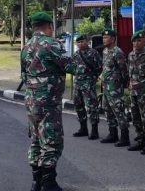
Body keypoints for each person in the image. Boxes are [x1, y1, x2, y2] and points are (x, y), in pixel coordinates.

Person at [21, 11, 76, 191]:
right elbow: (72, 66)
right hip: (48, 101)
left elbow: (24, 75)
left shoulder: (26, 47)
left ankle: (36, 181)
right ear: (49, 26)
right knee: (51, 140)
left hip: (31, 101)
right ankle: (48, 183)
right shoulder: (52, 44)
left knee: (36, 138)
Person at [99, 29, 130, 147]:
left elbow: (123, 69)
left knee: (118, 110)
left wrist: (123, 83)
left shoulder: (118, 52)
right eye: (103, 37)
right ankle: (112, 134)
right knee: (106, 108)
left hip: (115, 86)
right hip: (106, 86)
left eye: (106, 37)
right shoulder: (105, 51)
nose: (104, 39)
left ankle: (124, 136)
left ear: (113, 39)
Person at [71, 34, 103, 140]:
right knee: (78, 106)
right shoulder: (75, 54)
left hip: (88, 84)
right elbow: (73, 68)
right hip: (78, 84)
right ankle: (83, 128)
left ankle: (94, 130)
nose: (80, 44)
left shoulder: (93, 53)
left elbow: (99, 67)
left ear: (87, 42)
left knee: (92, 107)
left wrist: (93, 77)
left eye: (82, 42)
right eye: (78, 42)